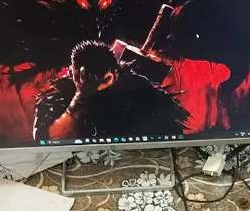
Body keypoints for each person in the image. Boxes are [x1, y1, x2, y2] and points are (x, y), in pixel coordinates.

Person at [32, 40, 188, 142]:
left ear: (113, 74)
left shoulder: (135, 85)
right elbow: (46, 139)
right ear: (73, 72)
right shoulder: (59, 95)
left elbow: (170, 127)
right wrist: (81, 96)